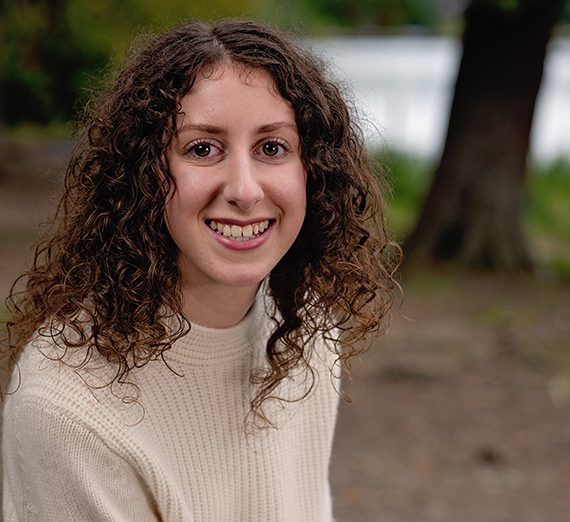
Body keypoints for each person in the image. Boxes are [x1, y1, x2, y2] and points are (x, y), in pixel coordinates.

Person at [1, 18, 398, 521]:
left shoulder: (305, 332)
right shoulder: (67, 412)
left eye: (272, 148)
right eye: (202, 149)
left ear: (312, 172)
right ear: (142, 175)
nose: (245, 190)